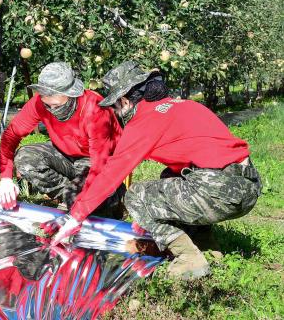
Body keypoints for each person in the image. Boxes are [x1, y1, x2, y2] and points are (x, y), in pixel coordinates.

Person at [47, 61, 261, 280]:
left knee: (137, 196)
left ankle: (189, 259)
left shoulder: (144, 121)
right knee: (170, 176)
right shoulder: (183, 105)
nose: (115, 114)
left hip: (221, 191)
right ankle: (206, 246)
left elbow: (111, 174)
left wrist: (75, 218)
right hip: (248, 185)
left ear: (125, 101)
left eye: (115, 108)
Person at [0, 62, 124, 217]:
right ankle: (70, 197)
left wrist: (82, 203)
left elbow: (99, 163)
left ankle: (113, 197)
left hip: (96, 159)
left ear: (71, 95)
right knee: (25, 158)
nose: (52, 110)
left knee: (88, 195)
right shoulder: (39, 103)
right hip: (64, 153)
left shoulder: (95, 109)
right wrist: (5, 178)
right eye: (47, 105)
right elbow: (11, 135)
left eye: (56, 105)